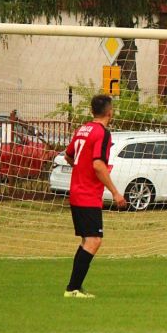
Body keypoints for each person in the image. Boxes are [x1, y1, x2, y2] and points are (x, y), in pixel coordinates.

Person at [63, 94, 127, 298]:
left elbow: (68, 155)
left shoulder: (82, 129)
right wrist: (115, 192)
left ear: (92, 111)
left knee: (88, 240)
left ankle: (74, 287)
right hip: (88, 194)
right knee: (94, 240)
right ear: (110, 112)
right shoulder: (102, 133)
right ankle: (72, 288)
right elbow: (98, 164)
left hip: (77, 191)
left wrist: (80, 169)